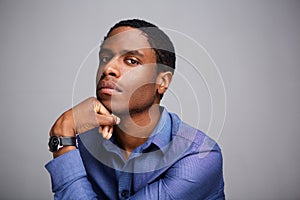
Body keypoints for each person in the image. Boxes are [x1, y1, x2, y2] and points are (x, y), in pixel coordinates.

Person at [45, 19, 225, 200]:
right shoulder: (82, 143)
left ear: (162, 82)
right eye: (105, 58)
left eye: (131, 61)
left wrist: (62, 132)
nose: (108, 68)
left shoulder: (199, 155)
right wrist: (66, 137)